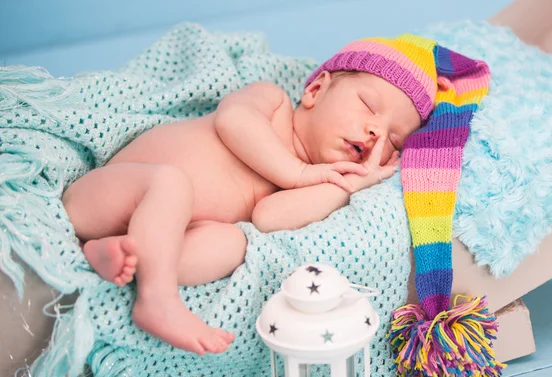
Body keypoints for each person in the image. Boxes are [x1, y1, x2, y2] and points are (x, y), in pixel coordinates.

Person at [61, 35, 425, 356]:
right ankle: (156, 299)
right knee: (171, 184)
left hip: (154, 236)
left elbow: (268, 218)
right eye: (368, 105)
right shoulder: (272, 103)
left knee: (235, 241)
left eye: (394, 140)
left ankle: (121, 255)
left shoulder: (315, 183)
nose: (377, 130)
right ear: (316, 91)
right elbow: (232, 120)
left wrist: (348, 184)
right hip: (108, 195)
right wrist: (298, 173)